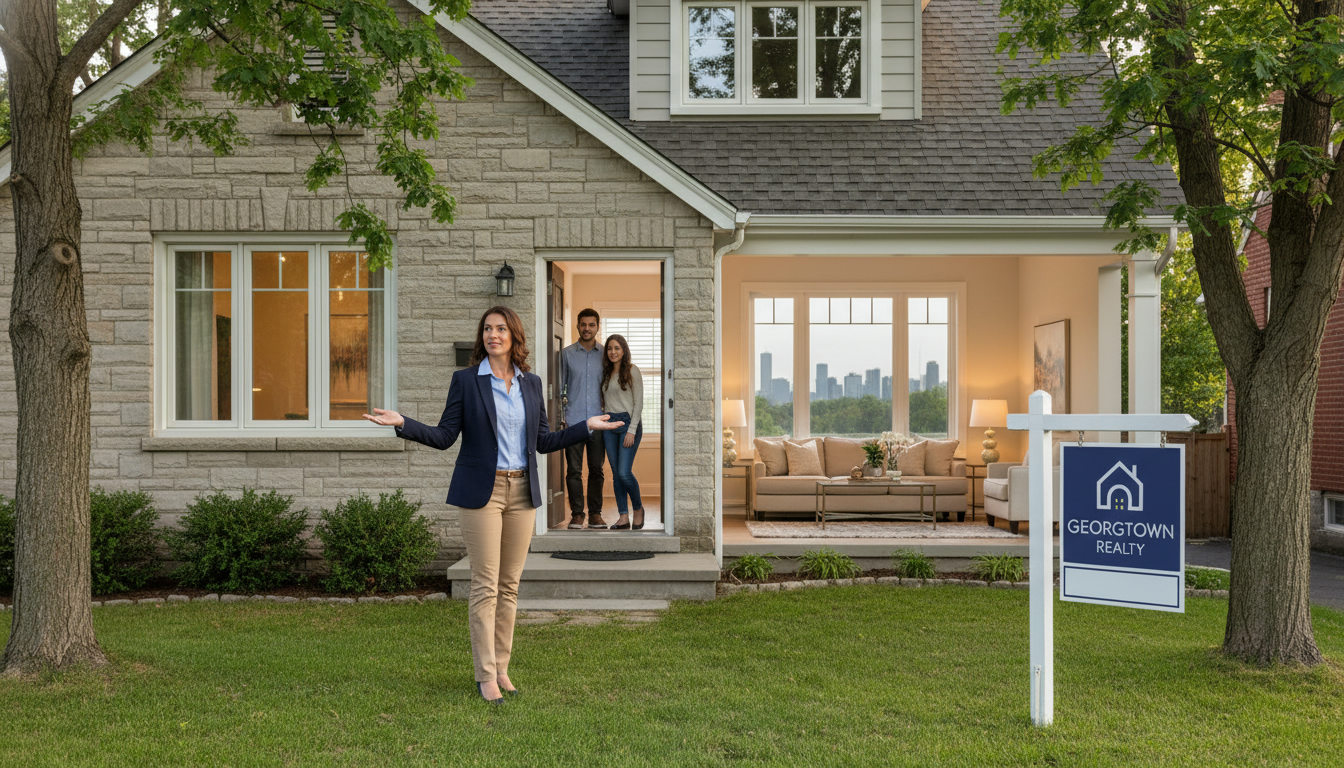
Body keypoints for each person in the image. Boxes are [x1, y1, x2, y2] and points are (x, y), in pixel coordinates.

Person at [363, 306, 623, 705]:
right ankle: (484, 674)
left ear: (514, 336)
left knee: (510, 586)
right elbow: (445, 435)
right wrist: (403, 423)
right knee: (485, 586)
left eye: (501, 328)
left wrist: (584, 426)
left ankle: (502, 667)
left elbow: (543, 442)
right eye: (487, 329)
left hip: (522, 494)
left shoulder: (531, 384)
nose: (493, 335)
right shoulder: (466, 381)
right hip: (482, 494)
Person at [559, 308, 608, 530]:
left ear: (598, 326)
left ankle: (595, 514)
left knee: (597, 470)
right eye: (583, 324)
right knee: (573, 471)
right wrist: (562, 417)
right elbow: (560, 388)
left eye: (591, 325)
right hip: (574, 421)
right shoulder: (567, 354)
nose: (587, 328)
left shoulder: (606, 354)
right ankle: (577, 514)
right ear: (577, 326)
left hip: (600, 423)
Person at [600, 334, 645, 531]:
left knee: (624, 472)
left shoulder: (633, 371)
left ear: (624, 350)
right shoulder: (606, 372)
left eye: (617, 348)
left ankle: (638, 508)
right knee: (616, 475)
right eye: (610, 348)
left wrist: (632, 430)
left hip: (628, 424)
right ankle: (623, 517)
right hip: (609, 425)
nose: (613, 352)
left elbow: (639, 403)